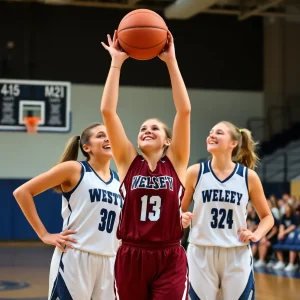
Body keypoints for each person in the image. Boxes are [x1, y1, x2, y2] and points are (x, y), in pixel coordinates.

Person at [100, 30, 191, 299]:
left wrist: (171, 62)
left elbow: (184, 111)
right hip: (131, 253)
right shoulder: (128, 161)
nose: (147, 130)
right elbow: (108, 111)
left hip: (170, 254)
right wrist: (116, 62)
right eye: (142, 128)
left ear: (167, 141)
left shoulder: (176, 162)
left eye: (154, 128)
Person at [13, 123, 122, 300]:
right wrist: (44, 234)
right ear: (87, 147)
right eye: (101, 135)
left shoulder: (120, 179)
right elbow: (22, 192)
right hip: (75, 256)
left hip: (110, 259)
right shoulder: (74, 169)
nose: (107, 138)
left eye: (110, 134)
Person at [181, 121, 274, 300]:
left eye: (219, 132)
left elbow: (267, 217)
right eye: (211, 132)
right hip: (200, 252)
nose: (212, 135)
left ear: (233, 143)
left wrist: (256, 235)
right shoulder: (195, 172)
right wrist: (181, 217)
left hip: (236, 252)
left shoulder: (248, 177)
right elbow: (178, 209)